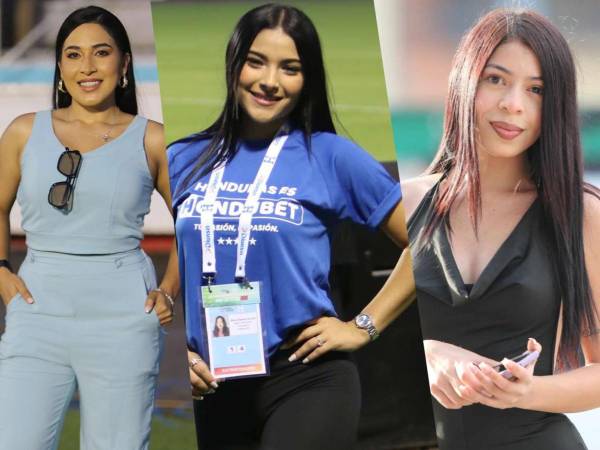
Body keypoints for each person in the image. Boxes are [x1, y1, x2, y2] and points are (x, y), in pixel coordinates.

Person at [167, 4, 411, 449]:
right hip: (212, 385)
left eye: (290, 68)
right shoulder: (183, 158)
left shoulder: (332, 157)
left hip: (306, 377)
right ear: (234, 63)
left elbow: (428, 243)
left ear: (307, 80)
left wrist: (363, 326)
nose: (269, 81)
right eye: (256, 61)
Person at [401, 8, 600, 449]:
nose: (513, 103)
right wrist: (428, 352)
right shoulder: (405, 203)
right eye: (496, 79)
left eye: (536, 90)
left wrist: (529, 391)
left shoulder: (579, 214)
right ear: (465, 82)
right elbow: (356, 338)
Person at [0, 6, 178, 450]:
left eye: (101, 53)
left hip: (125, 317)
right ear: (60, 67)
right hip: (36, 312)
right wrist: (1, 270)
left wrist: (168, 290)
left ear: (124, 64)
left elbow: (194, 224)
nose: (88, 67)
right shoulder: (23, 131)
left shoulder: (153, 138)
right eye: (74, 55)